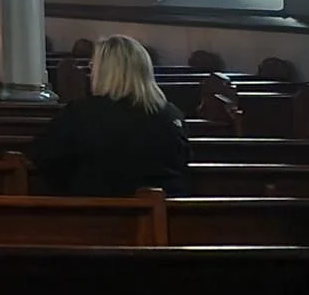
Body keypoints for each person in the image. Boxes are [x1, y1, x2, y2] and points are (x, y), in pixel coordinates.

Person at [28, 35, 189, 196]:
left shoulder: (80, 113)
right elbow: (181, 162)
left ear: (103, 72)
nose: (90, 75)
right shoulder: (170, 114)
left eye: (92, 68)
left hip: (98, 214)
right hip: (167, 215)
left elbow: (44, 156)